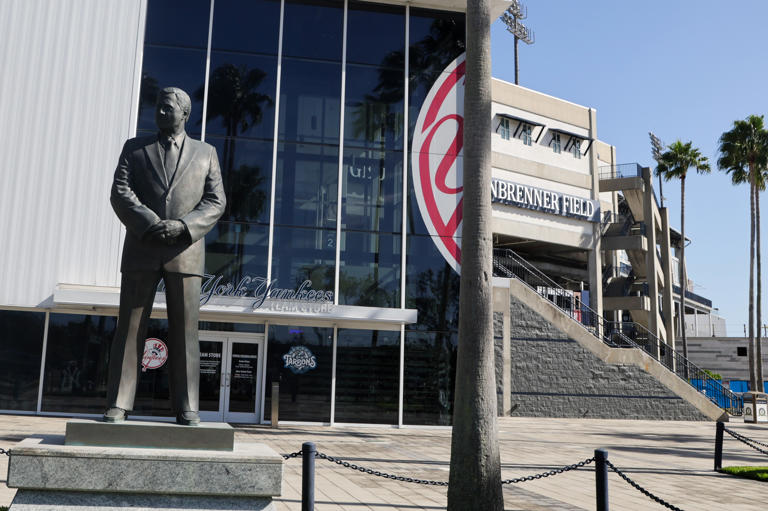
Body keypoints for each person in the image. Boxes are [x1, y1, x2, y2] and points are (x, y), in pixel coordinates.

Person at [104, 87, 226, 425]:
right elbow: (120, 192)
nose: (159, 112)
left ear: (185, 113)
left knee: (186, 332)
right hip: (142, 248)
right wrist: (151, 223)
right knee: (129, 329)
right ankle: (118, 403)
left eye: (167, 107)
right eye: (158, 106)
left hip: (185, 251)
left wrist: (184, 227)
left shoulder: (207, 153)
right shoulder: (135, 148)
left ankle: (187, 406)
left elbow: (216, 201)